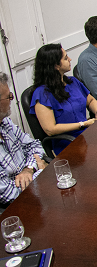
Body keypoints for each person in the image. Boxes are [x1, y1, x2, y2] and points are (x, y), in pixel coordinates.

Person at [29, 44, 97, 155]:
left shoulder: (73, 81)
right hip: (68, 143)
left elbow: (91, 101)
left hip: (88, 134)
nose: (70, 59)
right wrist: (82, 124)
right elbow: (50, 129)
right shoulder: (42, 94)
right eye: (65, 58)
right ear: (56, 66)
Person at [0, 72, 47, 206]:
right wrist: (42, 171)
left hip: (37, 190)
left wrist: (29, 168)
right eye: (8, 97)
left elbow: (34, 145)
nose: (12, 100)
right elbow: (10, 194)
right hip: (20, 208)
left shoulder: (6, 123)